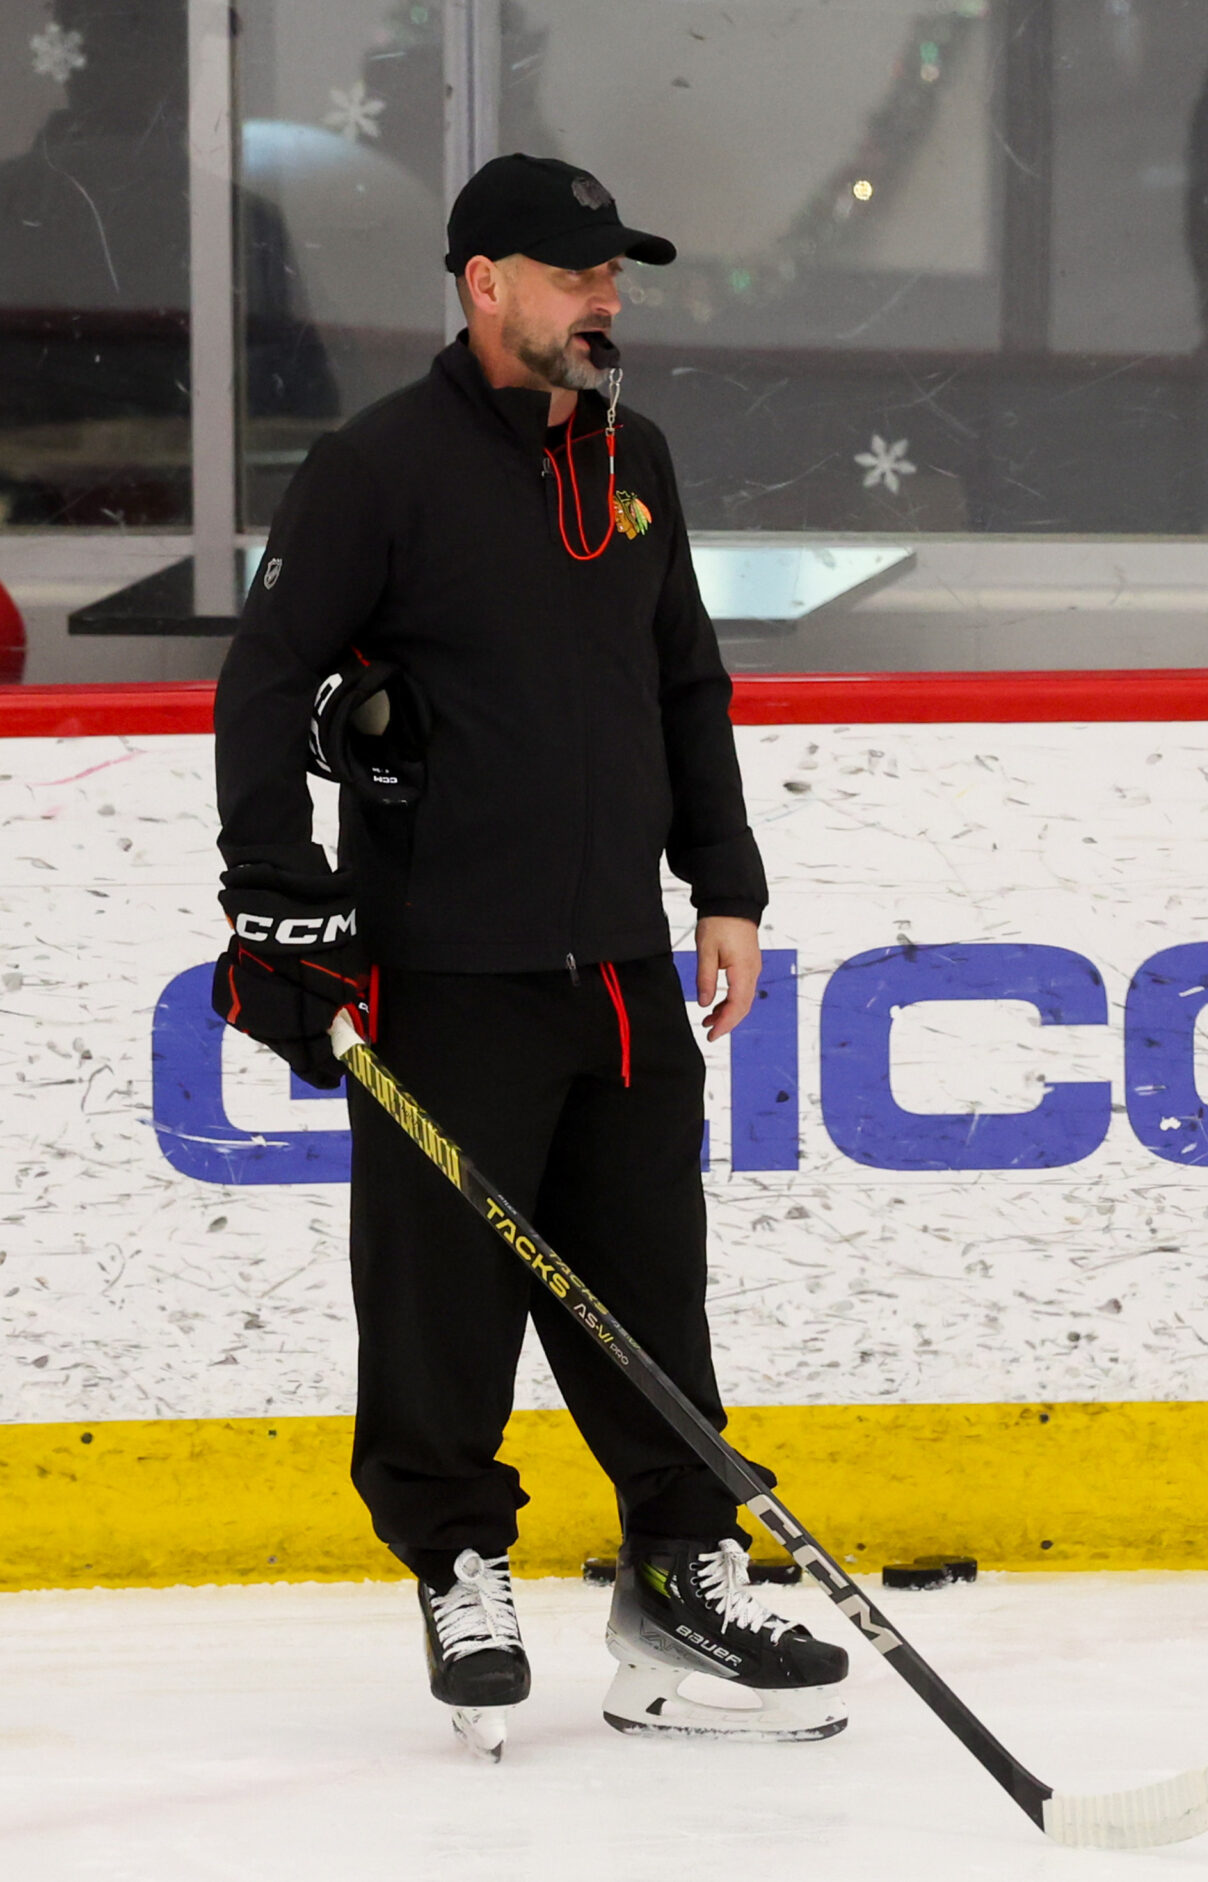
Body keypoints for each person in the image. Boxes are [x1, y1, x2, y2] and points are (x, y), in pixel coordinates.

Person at [210, 154, 847, 1754]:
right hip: (445, 972)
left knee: (651, 1288)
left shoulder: (637, 461)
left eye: (614, 276)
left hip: (622, 971)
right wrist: (277, 891)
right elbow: (265, 676)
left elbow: (685, 677)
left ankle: (680, 1570)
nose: (605, 301)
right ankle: (458, 1561)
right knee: (439, 1301)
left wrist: (726, 877)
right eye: (574, 276)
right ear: (483, 282)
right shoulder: (379, 469)